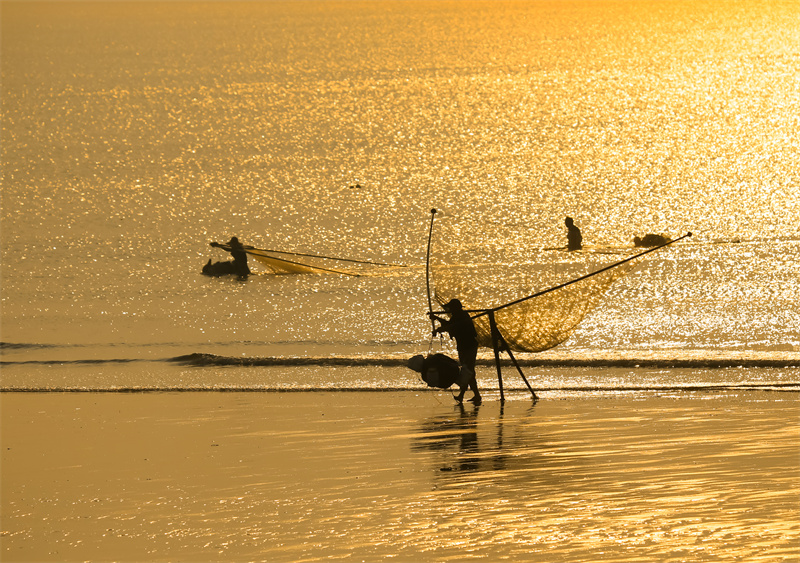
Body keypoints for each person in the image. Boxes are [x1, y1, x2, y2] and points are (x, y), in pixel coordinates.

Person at [429, 298, 481, 405]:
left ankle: (466, 395)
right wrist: (437, 318)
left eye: (451, 308)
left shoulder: (463, 316)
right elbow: (449, 325)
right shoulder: (456, 316)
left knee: (467, 370)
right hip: (463, 347)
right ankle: (475, 395)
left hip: (469, 346)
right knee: (468, 371)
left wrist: (439, 328)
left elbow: (451, 327)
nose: (450, 310)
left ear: (456, 308)